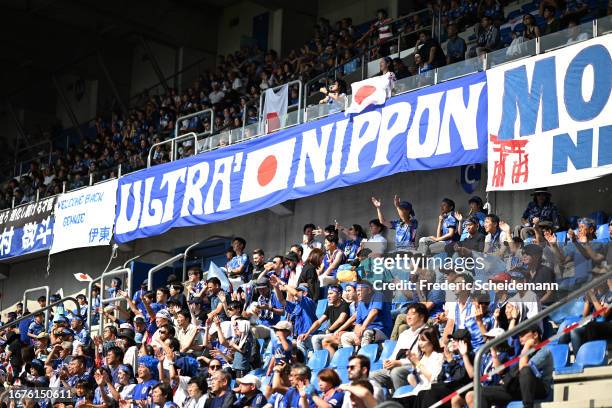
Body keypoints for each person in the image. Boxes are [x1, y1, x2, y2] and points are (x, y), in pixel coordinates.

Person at [477, 325, 552, 408]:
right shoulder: (525, 352)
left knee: (525, 370)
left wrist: (526, 346)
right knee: (481, 393)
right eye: (519, 335)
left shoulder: (544, 351)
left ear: (535, 335)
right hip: (520, 389)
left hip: (539, 390)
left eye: (523, 334)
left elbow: (523, 368)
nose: (520, 337)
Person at [371, 303, 428, 392]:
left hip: (415, 371)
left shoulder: (427, 333)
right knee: (371, 376)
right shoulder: (404, 334)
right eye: (407, 314)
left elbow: (420, 359)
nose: (408, 317)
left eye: (412, 314)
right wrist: (388, 362)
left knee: (396, 372)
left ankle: (402, 401)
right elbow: (395, 354)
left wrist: (399, 363)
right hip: (396, 368)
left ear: (422, 317)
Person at [339, 281, 392, 347]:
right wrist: (357, 335)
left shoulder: (378, 295)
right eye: (357, 291)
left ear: (369, 290)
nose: (358, 293)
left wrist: (363, 327)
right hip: (365, 331)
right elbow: (358, 323)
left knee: (367, 333)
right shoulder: (361, 303)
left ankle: (363, 355)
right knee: (345, 337)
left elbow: (374, 311)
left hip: (382, 331)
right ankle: (351, 356)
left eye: (360, 290)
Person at [298, 285, 350, 353]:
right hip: (330, 334)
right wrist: (307, 333)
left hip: (340, 334)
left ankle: (319, 360)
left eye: (331, 293)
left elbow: (341, 320)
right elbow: (319, 322)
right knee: (301, 340)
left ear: (339, 294)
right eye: (328, 294)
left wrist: (329, 329)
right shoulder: (330, 308)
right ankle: (303, 362)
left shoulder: (344, 305)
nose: (328, 296)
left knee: (316, 338)